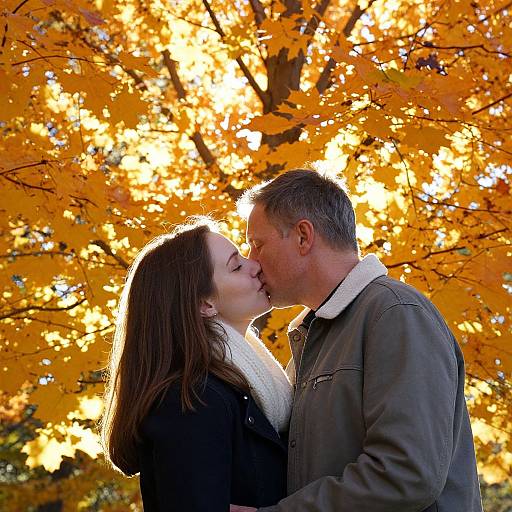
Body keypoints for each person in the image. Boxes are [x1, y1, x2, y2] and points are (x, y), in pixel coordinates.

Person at [231, 169, 483, 512]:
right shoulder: (313, 336)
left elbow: (406, 474)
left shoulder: (395, 313)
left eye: (257, 244)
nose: (252, 261)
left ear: (303, 236)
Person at [101, 219, 292, 511]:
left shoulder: (245, 386)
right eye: (236, 266)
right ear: (205, 304)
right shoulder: (192, 400)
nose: (254, 264)